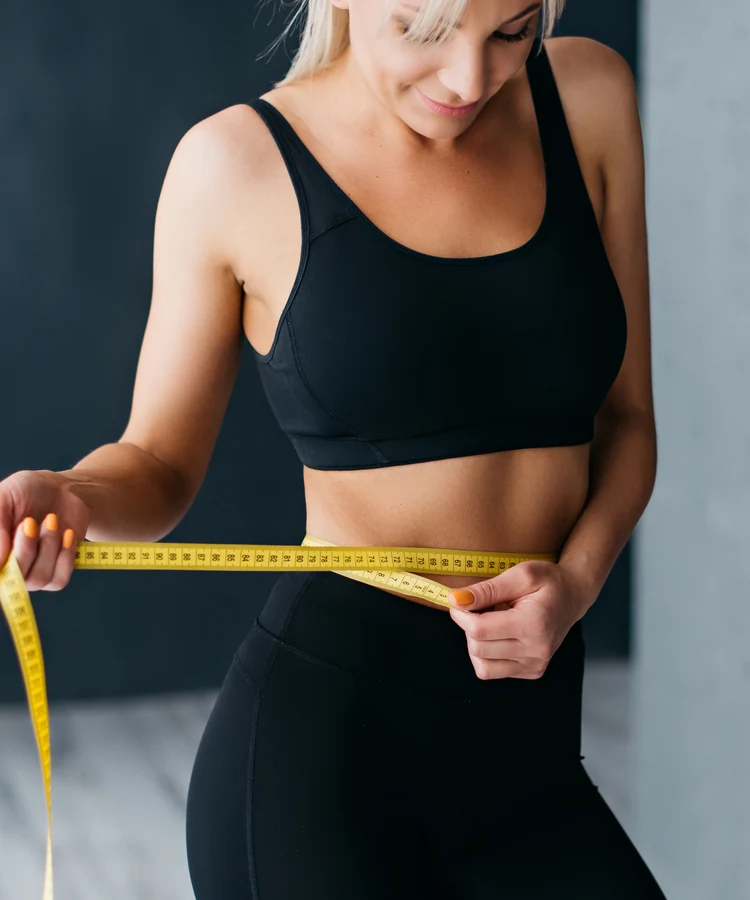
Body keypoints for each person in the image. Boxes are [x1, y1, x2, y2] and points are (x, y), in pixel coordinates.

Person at [0, 0, 666, 897]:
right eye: (424, 32)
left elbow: (626, 420)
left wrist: (577, 583)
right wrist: (72, 494)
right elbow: (157, 464)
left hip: (534, 760)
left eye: (512, 30)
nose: (471, 78)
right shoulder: (234, 166)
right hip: (321, 768)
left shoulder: (588, 96)